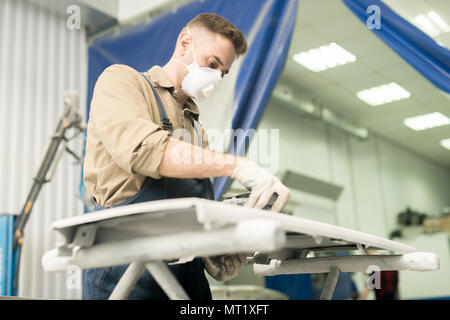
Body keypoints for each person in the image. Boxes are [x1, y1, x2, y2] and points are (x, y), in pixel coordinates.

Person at [82, 13, 291, 300]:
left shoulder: (196, 130)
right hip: (126, 263)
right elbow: (146, 149)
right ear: (184, 43)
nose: (216, 77)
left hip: (185, 272)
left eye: (223, 72)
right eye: (212, 64)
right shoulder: (122, 81)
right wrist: (237, 165)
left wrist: (213, 250)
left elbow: (193, 207)